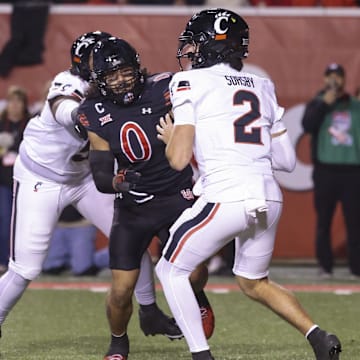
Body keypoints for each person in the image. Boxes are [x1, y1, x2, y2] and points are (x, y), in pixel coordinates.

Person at [155, 8, 342, 360]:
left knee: (169, 269)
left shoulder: (188, 82)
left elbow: (179, 158)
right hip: (269, 196)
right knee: (253, 282)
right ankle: (318, 337)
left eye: (195, 44)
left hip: (227, 193)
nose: (191, 51)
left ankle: (201, 355)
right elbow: (286, 160)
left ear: (210, 44)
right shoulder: (263, 85)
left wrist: (173, 138)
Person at [0, 31, 182, 344]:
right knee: (25, 268)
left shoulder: (125, 89)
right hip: (40, 179)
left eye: (120, 66)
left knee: (131, 237)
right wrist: (93, 115)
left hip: (83, 177)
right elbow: (64, 109)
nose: (118, 74)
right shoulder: (71, 84)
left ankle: (149, 310)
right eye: (108, 68)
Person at [77, 36, 214, 360]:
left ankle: (198, 296)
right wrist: (117, 183)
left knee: (193, 272)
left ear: (137, 68)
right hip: (134, 206)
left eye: (125, 71)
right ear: (100, 81)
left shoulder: (166, 87)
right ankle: (119, 342)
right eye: (112, 76)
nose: (121, 80)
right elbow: (99, 173)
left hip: (177, 196)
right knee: (122, 290)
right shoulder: (92, 112)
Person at [302, 63, 360, 279]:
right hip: (326, 171)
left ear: (344, 80)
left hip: (353, 171)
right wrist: (323, 105)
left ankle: (356, 268)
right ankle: (325, 266)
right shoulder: (317, 103)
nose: (334, 80)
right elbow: (307, 126)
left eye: (338, 76)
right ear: (325, 79)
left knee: (355, 222)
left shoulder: (355, 105)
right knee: (323, 221)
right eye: (330, 76)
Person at [0, 85, 30, 274]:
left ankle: (24, 261)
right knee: (4, 220)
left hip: (24, 182)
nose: (14, 105)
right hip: (3, 182)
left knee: (25, 222)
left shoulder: (30, 124)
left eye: (18, 101)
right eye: (11, 101)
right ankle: (4, 261)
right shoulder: (1, 123)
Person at [42, 205, 99, 276]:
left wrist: (94, 220)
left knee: (83, 269)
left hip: (82, 225)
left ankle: (77, 261)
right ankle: (67, 262)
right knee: (50, 268)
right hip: (57, 226)